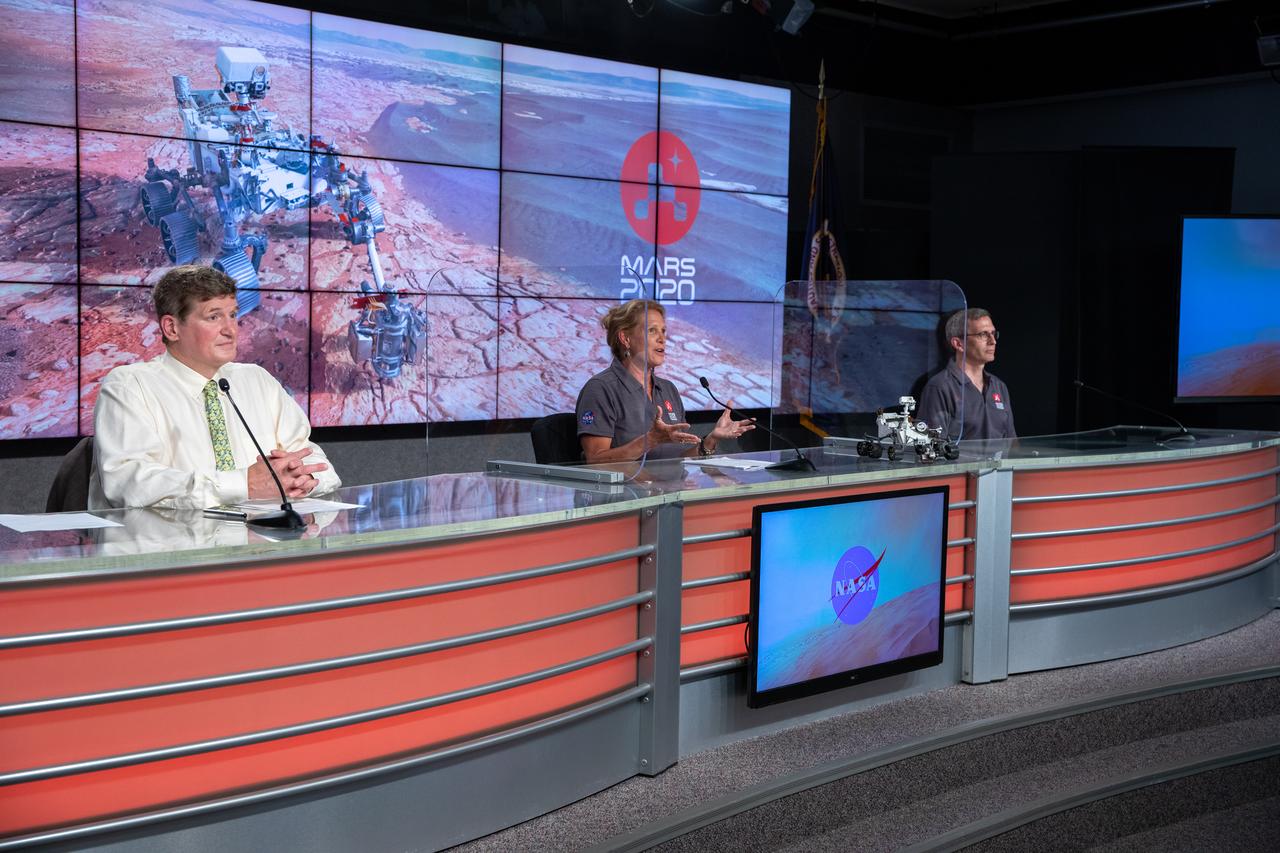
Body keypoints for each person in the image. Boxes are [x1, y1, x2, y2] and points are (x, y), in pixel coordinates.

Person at [89, 265, 340, 510]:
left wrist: (303, 480)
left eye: (232, 314)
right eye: (213, 316)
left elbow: (316, 462)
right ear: (172, 328)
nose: (230, 329)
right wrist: (243, 485)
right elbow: (128, 483)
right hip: (169, 545)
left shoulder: (257, 380)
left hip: (260, 543)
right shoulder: (130, 386)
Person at [575, 299, 753, 463]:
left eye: (663, 331)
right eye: (652, 330)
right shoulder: (600, 389)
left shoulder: (668, 389)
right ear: (625, 338)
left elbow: (678, 461)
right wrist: (650, 440)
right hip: (625, 496)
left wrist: (711, 440)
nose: (662, 338)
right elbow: (595, 461)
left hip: (668, 493)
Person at [916, 307, 1016, 441]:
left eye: (993, 333)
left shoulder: (999, 387)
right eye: (983, 334)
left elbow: (1012, 443)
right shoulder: (939, 387)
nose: (993, 341)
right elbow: (931, 448)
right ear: (958, 343)